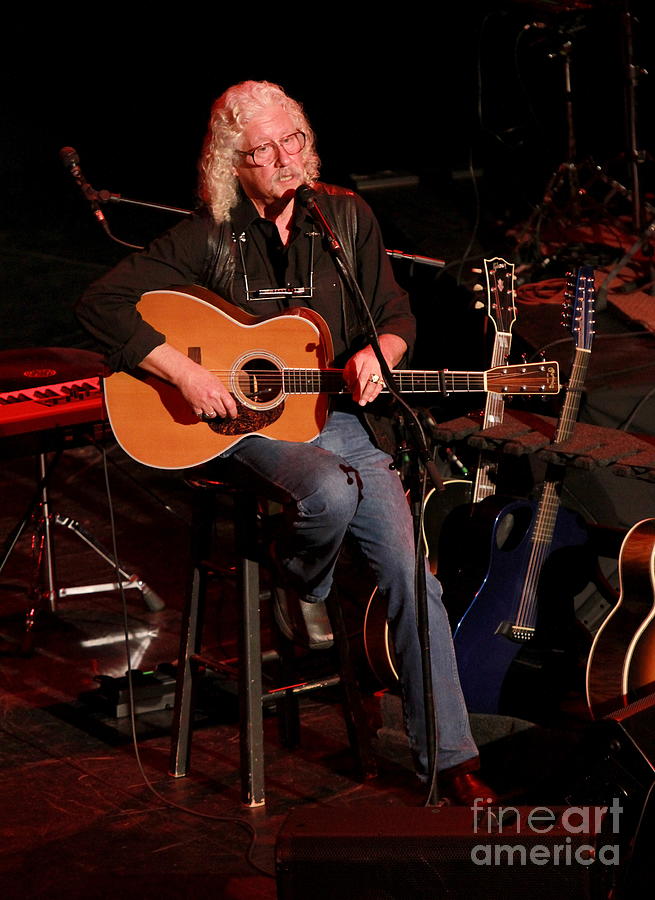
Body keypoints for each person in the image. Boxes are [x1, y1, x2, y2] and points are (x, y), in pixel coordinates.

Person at [76, 79, 493, 803]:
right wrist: (184, 374)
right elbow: (99, 303)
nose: (282, 159)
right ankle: (301, 575)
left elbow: (395, 315)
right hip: (235, 426)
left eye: (291, 141)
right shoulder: (207, 232)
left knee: (409, 571)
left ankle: (449, 760)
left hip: (329, 416)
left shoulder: (345, 219)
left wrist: (380, 355)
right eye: (263, 150)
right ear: (231, 163)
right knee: (327, 488)